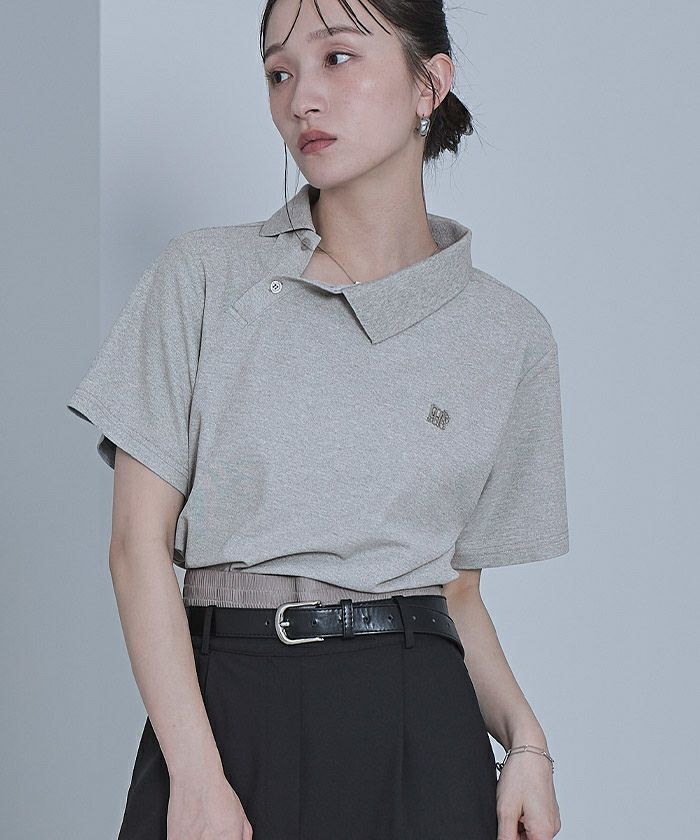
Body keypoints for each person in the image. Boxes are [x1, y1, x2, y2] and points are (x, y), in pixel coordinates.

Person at [66, 1, 570, 838]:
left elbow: (457, 591)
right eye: (279, 71)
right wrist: (195, 776)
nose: (301, 97)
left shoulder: (508, 334)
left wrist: (527, 743)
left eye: (337, 57)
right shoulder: (203, 277)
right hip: (229, 706)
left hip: (420, 724)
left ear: (430, 83)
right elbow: (134, 548)